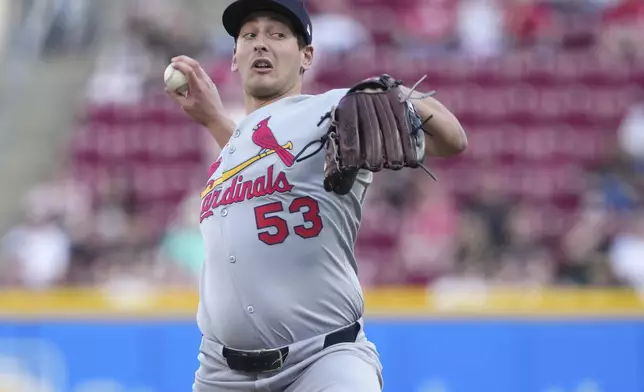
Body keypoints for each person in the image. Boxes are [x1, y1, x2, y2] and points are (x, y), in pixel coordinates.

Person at [165, 0, 467, 391]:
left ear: (307, 56)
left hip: (323, 362)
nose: (261, 44)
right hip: (221, 374)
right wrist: (215, 120)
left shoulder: (332, 109)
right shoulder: (235, 148)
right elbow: (267, 167)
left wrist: (395, 93)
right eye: (249, 36)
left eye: (277, 34)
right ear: (235, 58)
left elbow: (453, 140)